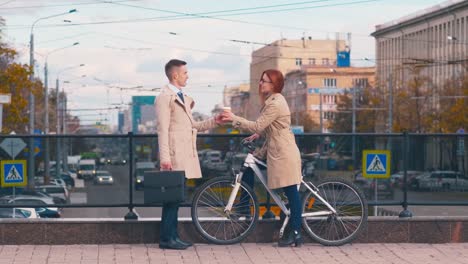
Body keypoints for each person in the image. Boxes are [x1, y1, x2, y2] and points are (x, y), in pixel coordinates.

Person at [221, 69, 303, 247]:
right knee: (250, 169)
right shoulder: (272, 101)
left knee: (291, 193)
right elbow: (269, 125)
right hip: (277, 150)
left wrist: (233, 118)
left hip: (284, 153)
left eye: (264, 81)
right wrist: (259, 135)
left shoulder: (275, 103)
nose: (261, 83)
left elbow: (258, 124)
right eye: (261, 80)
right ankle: (244, 207)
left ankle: (296, 232)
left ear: (274, 84)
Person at [156, 59, 222, 250]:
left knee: (176, 198)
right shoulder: (164, 97)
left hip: (185, 155)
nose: (188, 76)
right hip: (174, 156)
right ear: (175, 75)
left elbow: (194, 126)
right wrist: (165, 159)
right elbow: (162, 129)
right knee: (172, 199)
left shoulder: (182, 97)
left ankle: (172, 237)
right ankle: (167, 239)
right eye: (185, 73)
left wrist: (215, 120)